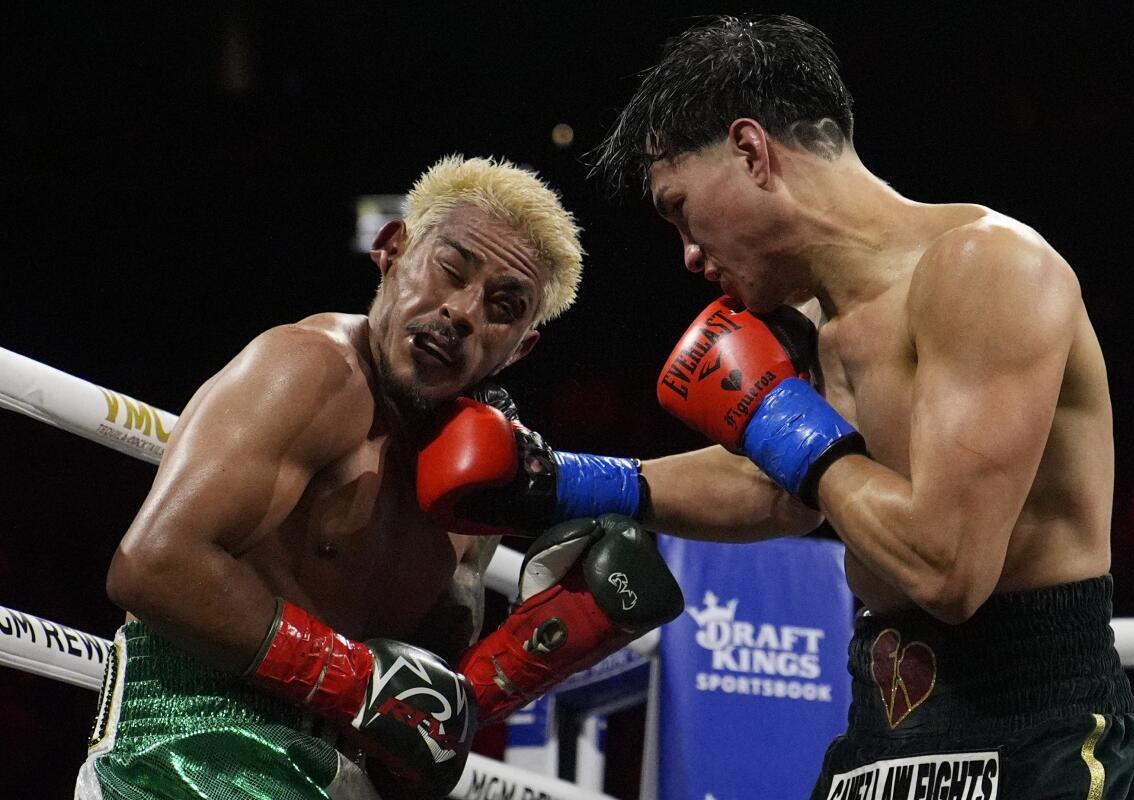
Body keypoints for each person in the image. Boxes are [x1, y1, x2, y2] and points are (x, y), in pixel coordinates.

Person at [587, 14, 1134, 799]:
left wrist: (785, 426)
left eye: (680, 208)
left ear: (752, 152)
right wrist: (573, 481)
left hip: (1038, 733)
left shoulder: (987, 267)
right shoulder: (816, 321)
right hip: (878, 734)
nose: (688, 251)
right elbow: (783, 488)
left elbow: (947, 564)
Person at [76, 155, 683, 800]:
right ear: (392, 249)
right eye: (451, 269)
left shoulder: (480, 476)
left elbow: (414, 722)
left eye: (504, 306)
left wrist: (531, 652)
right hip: (190, 750)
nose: (463, 313)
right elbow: (152, 566)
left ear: (521, 348)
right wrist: (354, 681)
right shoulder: (307, 370)